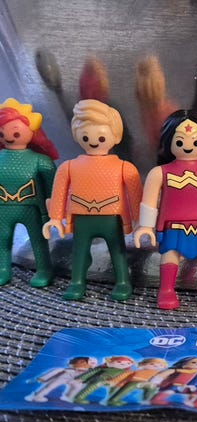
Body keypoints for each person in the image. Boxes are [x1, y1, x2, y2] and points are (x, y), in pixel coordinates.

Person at [134, 110, 197, 309]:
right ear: (168, 141)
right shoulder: (159, 173)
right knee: (170, 254)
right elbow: (149, 202)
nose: (188, 146)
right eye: (180, 141)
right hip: (173, 226)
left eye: (195, 141)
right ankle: (166, 289)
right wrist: (145, 226)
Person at [43, 99, 142, 301]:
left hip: (111, 218)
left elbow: (135, 195)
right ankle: (77, 282)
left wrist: (140, 220)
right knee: (79, 250)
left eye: (101, 135)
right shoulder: (68, 167)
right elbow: (59, 192)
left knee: (117, 250)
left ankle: (122, 281)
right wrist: (55, 218)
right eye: (86, 135)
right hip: (82, 218)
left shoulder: (125, 167)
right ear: (76, 135)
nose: (94, 141)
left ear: (116, 136)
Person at [0, 98, 57, 287]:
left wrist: (51, 211)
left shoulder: (41, 161)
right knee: (3, 238)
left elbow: (52, 187)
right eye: (2, 132)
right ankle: (3, 268)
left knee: (37, 240)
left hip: (32, 207)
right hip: (3, 208)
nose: (9, 137)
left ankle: (44, 269)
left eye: (16, 132)